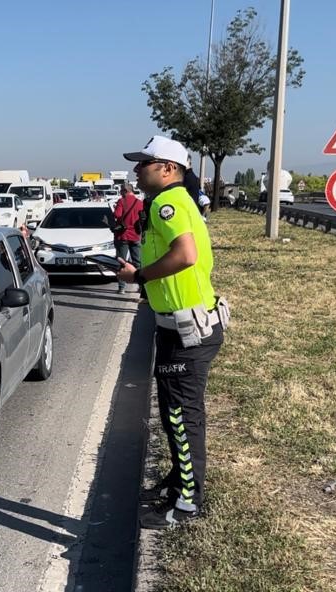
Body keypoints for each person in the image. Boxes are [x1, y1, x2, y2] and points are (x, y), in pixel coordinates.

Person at [117, 135, 225, 530]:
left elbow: (185, 255)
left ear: (168, 168)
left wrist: (139, 275)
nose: (136, 170)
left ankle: (188, 502)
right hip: (180, 325)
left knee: (181, 416)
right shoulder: (175, 202)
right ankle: (179, 482)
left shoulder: (168, 203)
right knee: (173, 414)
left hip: (187, 329)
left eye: (143, 163)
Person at [112, 186, 144, 294]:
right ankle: (141, 286)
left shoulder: (121, 201)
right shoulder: (139, 202)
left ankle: (122, 287)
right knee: (138, 262)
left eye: (121, 191)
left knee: (121, 261)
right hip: (136, 235)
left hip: (123, 236)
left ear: (126, 191)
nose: (120, 193)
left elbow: (117, 215)